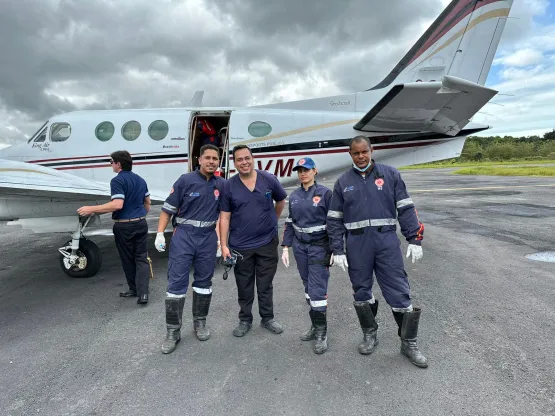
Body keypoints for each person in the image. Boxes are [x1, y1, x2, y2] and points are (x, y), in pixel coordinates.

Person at [326, 136, 427, 368]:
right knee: (361, 290)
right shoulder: (343, 182)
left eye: (364, 152)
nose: (361, 156)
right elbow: (334, 220)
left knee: (399, 290)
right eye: (355, 153)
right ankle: (370, 334)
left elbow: (405, 207)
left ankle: (408, 342)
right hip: (357, 244)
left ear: (372, 150)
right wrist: (337, 249)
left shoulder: (390, 175)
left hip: (386, 241)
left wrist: (414, 239)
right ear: (349, 154)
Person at [154, 144, 225, 354]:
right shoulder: (185, 181)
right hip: (184, 235)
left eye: (215, 158)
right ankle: (173, 331)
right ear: (199, 159)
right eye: (208, 158)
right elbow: (167, 210)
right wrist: (159, 233)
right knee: (176, 282)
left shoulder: (222, 184)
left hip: (208, 237)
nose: (212, 161)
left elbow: (224, 216)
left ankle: (200, 322)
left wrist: (221, 242)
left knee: (204, 282)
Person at [219, 145, 287, 337]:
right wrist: (224, 245)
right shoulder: (229, 186)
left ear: (253, 158)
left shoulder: (268, 179)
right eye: (239, 159)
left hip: (266, 242)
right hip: (240, 246)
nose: (244, 162)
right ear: (234, 163)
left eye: (247, 158)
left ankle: (268, 318)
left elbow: (280, 201)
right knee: (244, 285)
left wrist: (272, 220)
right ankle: (245, 320)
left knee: (265, 284)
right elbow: (224, 217)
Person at [77, 150, 151, 305]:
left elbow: (117, 204)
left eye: (111, 162)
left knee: (127, 259)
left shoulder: (117, 181)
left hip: (124, 226)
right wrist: (140, 214)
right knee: (141, 258)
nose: (110, 165)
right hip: (140, 223)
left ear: (118, 163)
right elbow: (147, 203)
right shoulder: (141, 180)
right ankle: (143, 293)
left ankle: (134, 289)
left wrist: (91, 209)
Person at [280, 157, 332, 354]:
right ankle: (315, 324)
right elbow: (289, 222)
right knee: (308, 288)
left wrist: (335, 248)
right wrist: (286, 247)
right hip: (300, 247)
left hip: (319, 246)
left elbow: (334, 222)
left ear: (315, 171)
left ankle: (321, 333)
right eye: (300, 170)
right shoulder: (293, 196)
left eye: (307, 169)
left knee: (317, 289)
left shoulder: (325, 194)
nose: (303, 173)